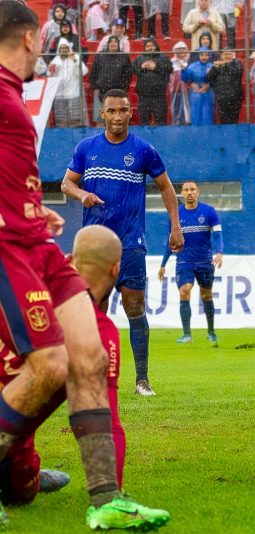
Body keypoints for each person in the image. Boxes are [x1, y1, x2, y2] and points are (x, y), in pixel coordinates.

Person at [0, 3, 169, 528]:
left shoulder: (12, 95)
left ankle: (105, 502)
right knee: (49, 365)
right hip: (9, 247)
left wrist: (33, 206)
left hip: (39, 241)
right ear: (30, 38)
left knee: (91, 354)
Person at [61, 88, 185, 397]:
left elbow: (167, 188)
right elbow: (66, 183)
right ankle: (93, 378)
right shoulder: (87, 148)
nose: (118, 116)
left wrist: (175, 227)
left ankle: (142, 380)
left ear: (131, 113)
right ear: (102, 114)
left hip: (130, 244)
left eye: (123, 111)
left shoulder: (143, 150)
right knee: (96, 311)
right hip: (95, 248)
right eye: (112, 111)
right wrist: (82, 194)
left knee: (134, 307)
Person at [0, 225, 129, 504]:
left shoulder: (20, 290)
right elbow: (109, 422)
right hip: (10, 449)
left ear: (69, 258)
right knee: (20, 490)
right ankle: (33, 475)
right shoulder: (97, 332)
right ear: (115, 270)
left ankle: (32, 467)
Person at [158, 181, 223, 344]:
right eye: (186, 190)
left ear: (198, 192)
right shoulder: (176, 215)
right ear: (181, 193)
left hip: (204, 261)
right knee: (184, 291)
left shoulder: (209, 212)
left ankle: (211, 332)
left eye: (192, 189)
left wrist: (219, 253)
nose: (189, 193)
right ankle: (186, 334)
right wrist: (163, 264)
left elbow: (218, 235)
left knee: (206, 295)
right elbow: (170, 241)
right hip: (184, 261)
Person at [89, 35, 131, 125]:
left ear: (118, 44)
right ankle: (100, 139)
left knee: (117, 121)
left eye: (115, 42)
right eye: (111, 42)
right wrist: (95, 87)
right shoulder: (100, 55)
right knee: (100, 120)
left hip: (118, 94)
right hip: (101, 92)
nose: (113, 43)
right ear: (107, 44)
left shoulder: (123, 56)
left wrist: (124, 89)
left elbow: (128, 75)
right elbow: (93, 73)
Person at [48, 38, 88, 127]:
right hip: (59, 96)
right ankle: (64, 139)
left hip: (74, 94)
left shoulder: (75, 58)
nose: (64, 50)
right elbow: (50, 77)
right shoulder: (55, 61)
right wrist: (50, 70)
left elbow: (84, 71)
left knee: (77, 121)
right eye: (61, 48)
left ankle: (77, 139)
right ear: (59, 49)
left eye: (65, 47)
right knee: (61, 122)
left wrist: (75, 60)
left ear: (68, 48)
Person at [132, 38, 172, 125]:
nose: (149, 48)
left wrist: (155, 67)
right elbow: (133, 70)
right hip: (144, 96)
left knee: (161, 121)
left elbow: (169, 69)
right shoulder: (140, 58)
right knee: (144, 122)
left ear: (156, 46)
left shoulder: (163, 57)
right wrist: (142, 67)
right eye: (147, 46)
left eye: (151, 45)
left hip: (159, 96)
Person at [206, 45, 242, 124]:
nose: (227, 56)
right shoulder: (217, 65)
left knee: (234, 120)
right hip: (222, 97)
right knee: (224, 120)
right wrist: (214, 68)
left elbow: (236, 72)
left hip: (235, 98)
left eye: (229, 54)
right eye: (225, 54)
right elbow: (208, 78)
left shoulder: (237, 63)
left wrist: (224, 64)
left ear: (232, 55)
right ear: (222, 55)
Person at [182, 45, 215, 125]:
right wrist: (183, 71)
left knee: (207, 114)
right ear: (199, 55)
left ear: (209, 56)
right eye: (202, 55)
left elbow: (216, 79)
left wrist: (208, 85)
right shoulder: (192, 66)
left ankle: (207, 134)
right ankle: (196, 133)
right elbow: (185, 78)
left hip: (208, 93)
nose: (204, 57)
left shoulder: (212, 66)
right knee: (196, 114)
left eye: (206, 55)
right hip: (195, 93)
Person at [169, 40, 191, 124]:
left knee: (188, 108)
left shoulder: (189, 61)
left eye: (183, 49)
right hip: (176, 91)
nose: (181, 51)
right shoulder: (171, 62)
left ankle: (188, 122)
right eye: (179, 49)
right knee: (177, 107)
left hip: (189, 90)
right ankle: (178, 122)